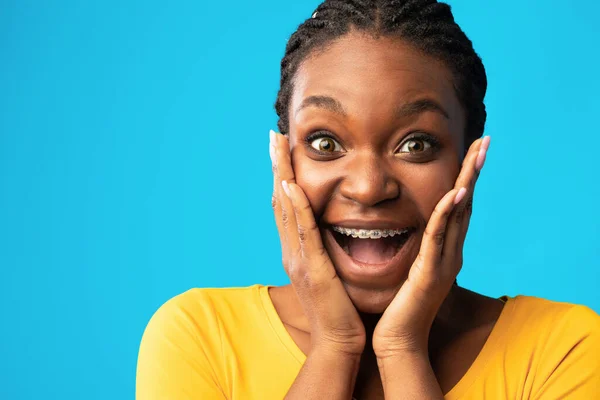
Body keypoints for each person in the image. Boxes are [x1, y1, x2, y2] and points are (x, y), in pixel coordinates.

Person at [136, 0, 600, 398]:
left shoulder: (562, 349)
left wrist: (402, 350)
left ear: (468, 158)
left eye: (415, 144)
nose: (368, 187)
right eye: (324, 143)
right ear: (284, 157)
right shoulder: (198, 337)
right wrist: (334, 346)